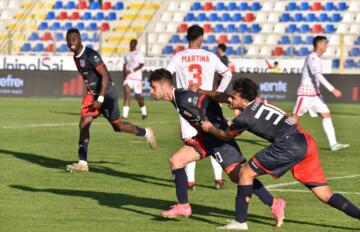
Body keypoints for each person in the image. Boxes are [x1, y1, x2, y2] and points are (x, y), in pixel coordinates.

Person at [202, 77, 360, 230]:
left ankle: (240, 221)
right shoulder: (260, 101)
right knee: (325, 194)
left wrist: (209, 128)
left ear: (244, 100)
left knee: (245, 174)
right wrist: (203, 92)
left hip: (288, 144)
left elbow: (225, 135)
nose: (229, 100)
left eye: (233, 97)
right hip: (305, 141)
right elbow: (224, 97)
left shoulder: (243, 118)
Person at [149, 69, 286, 228]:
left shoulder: (183, 98)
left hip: (218, 137)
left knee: (239, 176)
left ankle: (274, 203)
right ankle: (183, 206)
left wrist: (223, 108)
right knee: (176, 160)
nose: (151, 91)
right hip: (205, 137)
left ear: (162, 85)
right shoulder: (178, 97)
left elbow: (213, 99)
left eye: (153, 87)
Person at [65, 28, 156, 173]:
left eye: (74, 39)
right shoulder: (76, 56)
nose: (71, 43)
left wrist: (100, 98)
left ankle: (146, 132)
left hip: (107, 93)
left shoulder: (91, 55)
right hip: (92, 94)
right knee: (84, 124)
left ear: (80, 39)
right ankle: (82, 162)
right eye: (68, 41)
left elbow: (105, 77)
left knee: (118, 126)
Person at [166, 25, 232, 190]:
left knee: (191, 143)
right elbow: (227, 74)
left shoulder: (179, 57)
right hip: (208, 104)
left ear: (187, 37)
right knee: (214, 141)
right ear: (201, 38)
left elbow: (166, 76)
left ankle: (190, 182)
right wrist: (217, 93)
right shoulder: (210, 56)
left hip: (187, 106)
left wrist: (174, 94)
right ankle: (218, 179)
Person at [291, 36, 349, 151]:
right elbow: (317, 75)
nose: (327, 45)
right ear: (318, 44)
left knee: (326, 115)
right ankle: (278, 139)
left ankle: (333, 144)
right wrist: (332, 89)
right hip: (305, 94)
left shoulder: (317, 58)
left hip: (315, 95)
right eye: (325, 43)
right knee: (294, 118)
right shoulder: (312, 58)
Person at [122, 39, 147, 120]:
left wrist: (131, 70)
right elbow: (124, 64)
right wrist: (124, 73)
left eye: (133, 44)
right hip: (128, 78)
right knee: (127, 95)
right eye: (131, 43)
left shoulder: (139, 54)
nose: (132, 45)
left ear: (136, 44)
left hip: (137, 78)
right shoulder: (126, 54)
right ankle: (124, 115)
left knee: (138, 97)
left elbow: (141, 64)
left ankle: (144, 112)